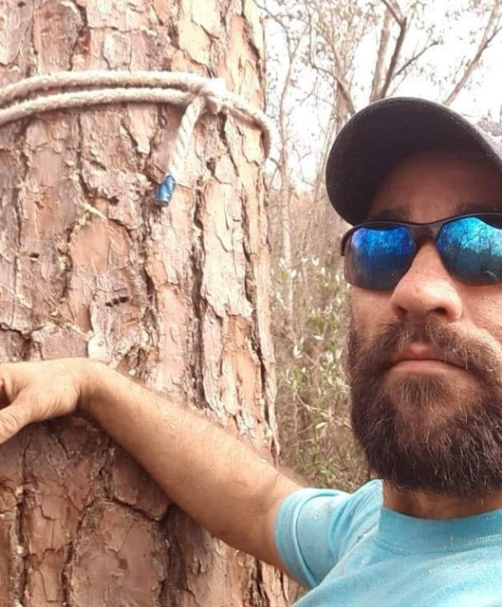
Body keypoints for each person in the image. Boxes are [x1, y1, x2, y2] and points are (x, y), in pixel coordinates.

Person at [2, 96, 502, 605]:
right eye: (382, 246)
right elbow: (261, 502)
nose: (416, 291)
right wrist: (94, 384)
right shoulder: (380, 523)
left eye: (488, 244)